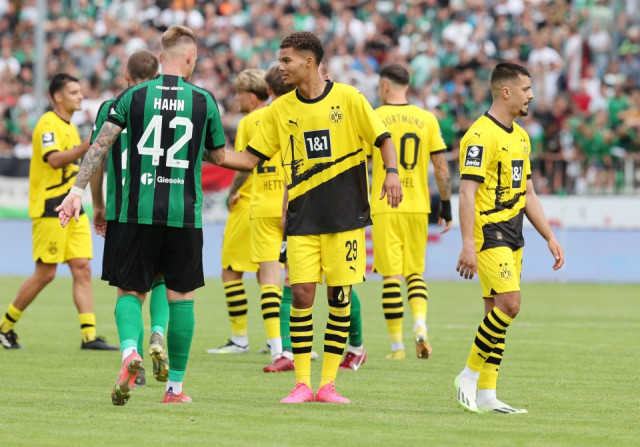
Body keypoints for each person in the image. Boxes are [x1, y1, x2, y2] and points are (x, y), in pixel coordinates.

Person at [218, 31, 402, 404]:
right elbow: (250, 160)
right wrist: (209, 153)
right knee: (301, 295)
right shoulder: (279, 110)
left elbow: (382, 138)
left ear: (309, 61)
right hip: (302, 219)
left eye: (286, 60)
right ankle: (302, 383)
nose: (280, 67)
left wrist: (392, 173)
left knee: (339, 297)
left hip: (346, 219)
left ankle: (328, 385)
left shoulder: (349, 98)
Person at [56, 25, 226, 405]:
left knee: (130, 291)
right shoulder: (202, 101)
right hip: (182, 215)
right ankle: (172, 382)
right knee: (178, 293)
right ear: (190, 57)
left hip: (131, 212)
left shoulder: (126, 100)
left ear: (159, 57)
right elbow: (217, 154)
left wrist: (81, 194)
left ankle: (130, 351)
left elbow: (99, 149)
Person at [455, 62, 564, 414]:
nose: (531, 95)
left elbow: (528, 193)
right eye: (526, 89)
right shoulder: (480, 136)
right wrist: (468, 245)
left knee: (496, 313)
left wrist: (549, 236)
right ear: (506, 92)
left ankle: (487, 394)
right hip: (489, 232)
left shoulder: (521, 137)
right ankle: (468, 376)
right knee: (511, 304)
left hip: (514, 232)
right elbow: (467, 193)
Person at [0, 73, 117, 351]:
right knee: (46, 273)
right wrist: (89, 146)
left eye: (80, 91)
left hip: (72, 207)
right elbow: (53, 160)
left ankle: (89, 336)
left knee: (83, 268)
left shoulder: (70, 128)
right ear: (57, 96)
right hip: (50, 207)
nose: (80, 96)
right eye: (73, 92)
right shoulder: (47, 124)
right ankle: (5, 327)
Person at [89, 49, 169, 387]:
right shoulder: (169, 107)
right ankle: (158, 331)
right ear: (157, 75)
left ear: (126, 75)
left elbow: (97, 156)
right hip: (167, 207)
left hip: (124, 210)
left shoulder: (111, 107)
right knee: (162, 279)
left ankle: (132, 355)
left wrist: (98, 205)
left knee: (129, 289)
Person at [367, 63, 452, 360]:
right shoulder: (426, 119)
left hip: (385, 204)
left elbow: (360, 162)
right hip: (417, 205)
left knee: (391, 276)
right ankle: (420, 324)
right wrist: (446, 205)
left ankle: (397, 348)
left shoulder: (375, 116)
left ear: (385, 86)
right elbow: (441, 167)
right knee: (414, 272)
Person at [205, 70, 266, 358]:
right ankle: (278, 341)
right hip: (274, 202)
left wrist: (232, 192)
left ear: (251, 96)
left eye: (239, 94)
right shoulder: (279, 115)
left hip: (248, 203)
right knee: (270, 273)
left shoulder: (250, 121)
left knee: (230, 271)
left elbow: (245, 163)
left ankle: (240, 338)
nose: (236, 99)